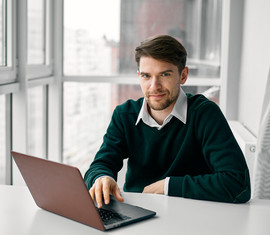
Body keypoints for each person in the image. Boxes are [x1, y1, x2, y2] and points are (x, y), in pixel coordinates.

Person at [84, 35, 251, 208]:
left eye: (164, 74)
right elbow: (100, 165)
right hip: (137, 214)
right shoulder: (124, 115)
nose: (154, 86)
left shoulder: (204, 114)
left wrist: (167, 186)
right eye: (146, 76)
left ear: (183, 75)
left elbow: (237, 184)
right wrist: (102, 178)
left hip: (192, 215)